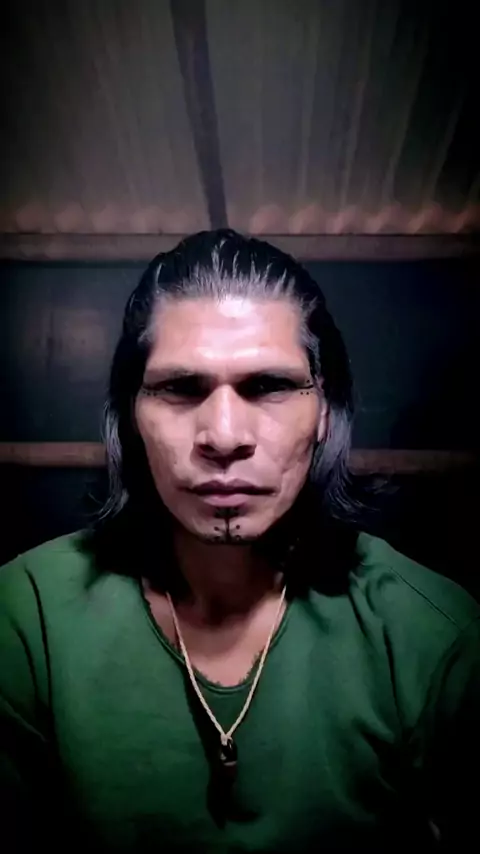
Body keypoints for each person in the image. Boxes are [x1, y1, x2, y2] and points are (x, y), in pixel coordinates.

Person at [0, 230, 478, 852]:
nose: (224, 437)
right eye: (180, 388)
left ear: (325, 412)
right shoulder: (24, 616)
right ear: (130, 416)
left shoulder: (431, 635)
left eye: (269, 386)